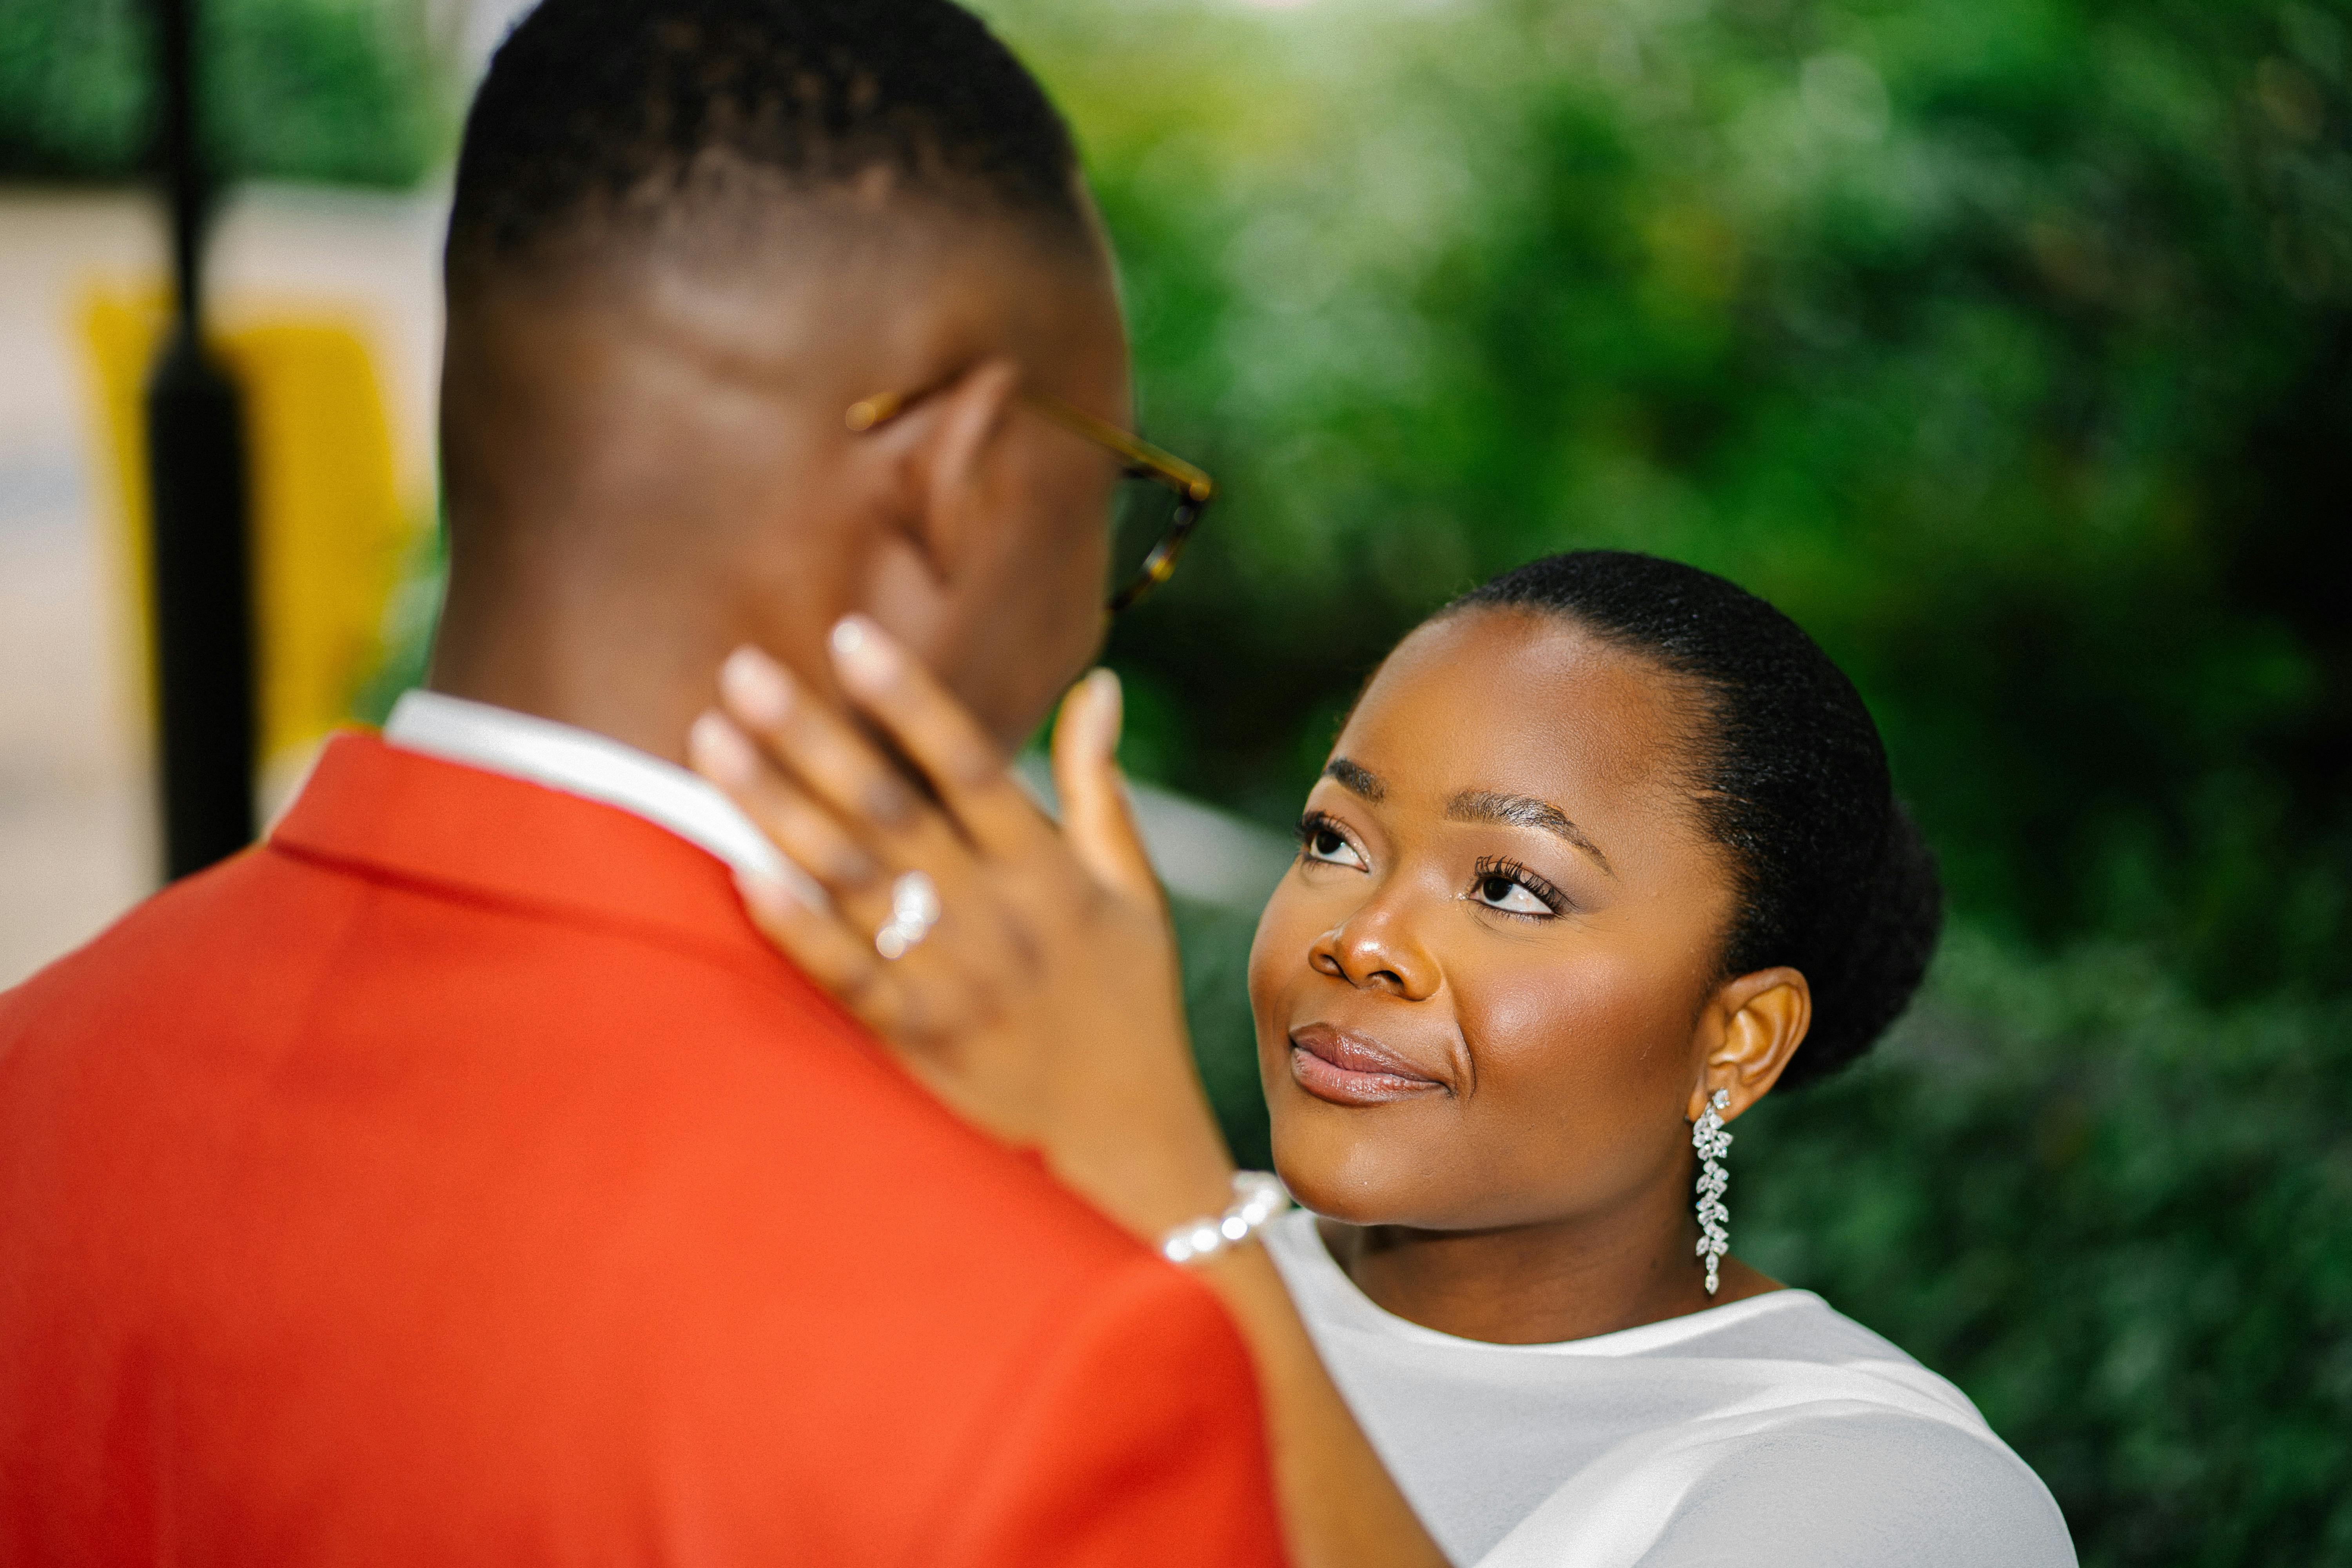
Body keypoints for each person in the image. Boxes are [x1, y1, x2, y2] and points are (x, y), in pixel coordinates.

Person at [0, 1, 1438, 1561]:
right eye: (1113, 499)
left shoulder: (36, 1077)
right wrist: (1180, 1197)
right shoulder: (1045, 1360)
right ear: (954, 486)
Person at [687, 549, 2082, 1565]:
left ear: (1737, 1037)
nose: (1364, 941)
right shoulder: (1093, 1278)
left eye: (1512, 888)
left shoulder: (1896, 1496)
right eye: (1336, 844)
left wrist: (1164, 1183)